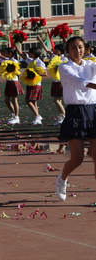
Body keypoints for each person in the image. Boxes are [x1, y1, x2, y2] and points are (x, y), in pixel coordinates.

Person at [54, 36, 96, 201]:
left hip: (94, 111)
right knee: (77, 158)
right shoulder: (64, 67)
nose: (77, 50)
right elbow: (80, 82)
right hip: (75, 113)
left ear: (85, 48)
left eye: (80, 47)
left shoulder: (92, 65)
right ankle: (62, 179)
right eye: (73, 47)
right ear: (68, 50)